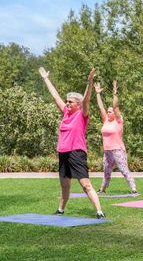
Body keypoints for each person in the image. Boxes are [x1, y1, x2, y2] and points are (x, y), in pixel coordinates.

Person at [38, 67, 105, 219]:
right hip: (63, 153)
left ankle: (99, 212)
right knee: (65, 186)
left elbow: (87, 99)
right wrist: (46, 78)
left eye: (70, 102)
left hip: (76, 152)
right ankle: (60, 210)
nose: (67, 104)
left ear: (78, 105)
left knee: (85, 185)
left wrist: (89, 82)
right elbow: (55, 97)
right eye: (67, 101)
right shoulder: (66, 113)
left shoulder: (82, 115)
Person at [94, 80, 137, 194]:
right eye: (108, 112)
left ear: (115, 113)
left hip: (118, 150)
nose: (108, 113)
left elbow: (116, 106)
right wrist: (97, 94)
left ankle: (133, 188)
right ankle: (102, 189)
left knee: (124, 170)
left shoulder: (118, 121)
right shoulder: (106, 121)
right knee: (106, 171)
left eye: (110, 112)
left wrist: (115, 93)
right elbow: (101, 108)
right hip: (107, 151)